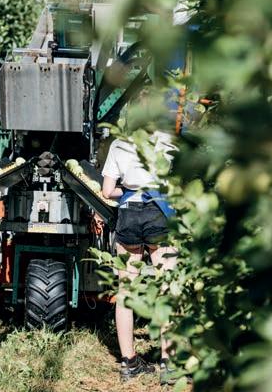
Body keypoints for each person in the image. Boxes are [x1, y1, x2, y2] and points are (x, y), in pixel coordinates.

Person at [101, 131, 178, 383]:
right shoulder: (168, 140)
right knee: (167, 288)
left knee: (125, 290)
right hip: (159, 211)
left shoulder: (119, 143)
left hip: (129, 214)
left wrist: (126, 190)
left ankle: (129, 363)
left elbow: (107, 191)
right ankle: (168, 364)